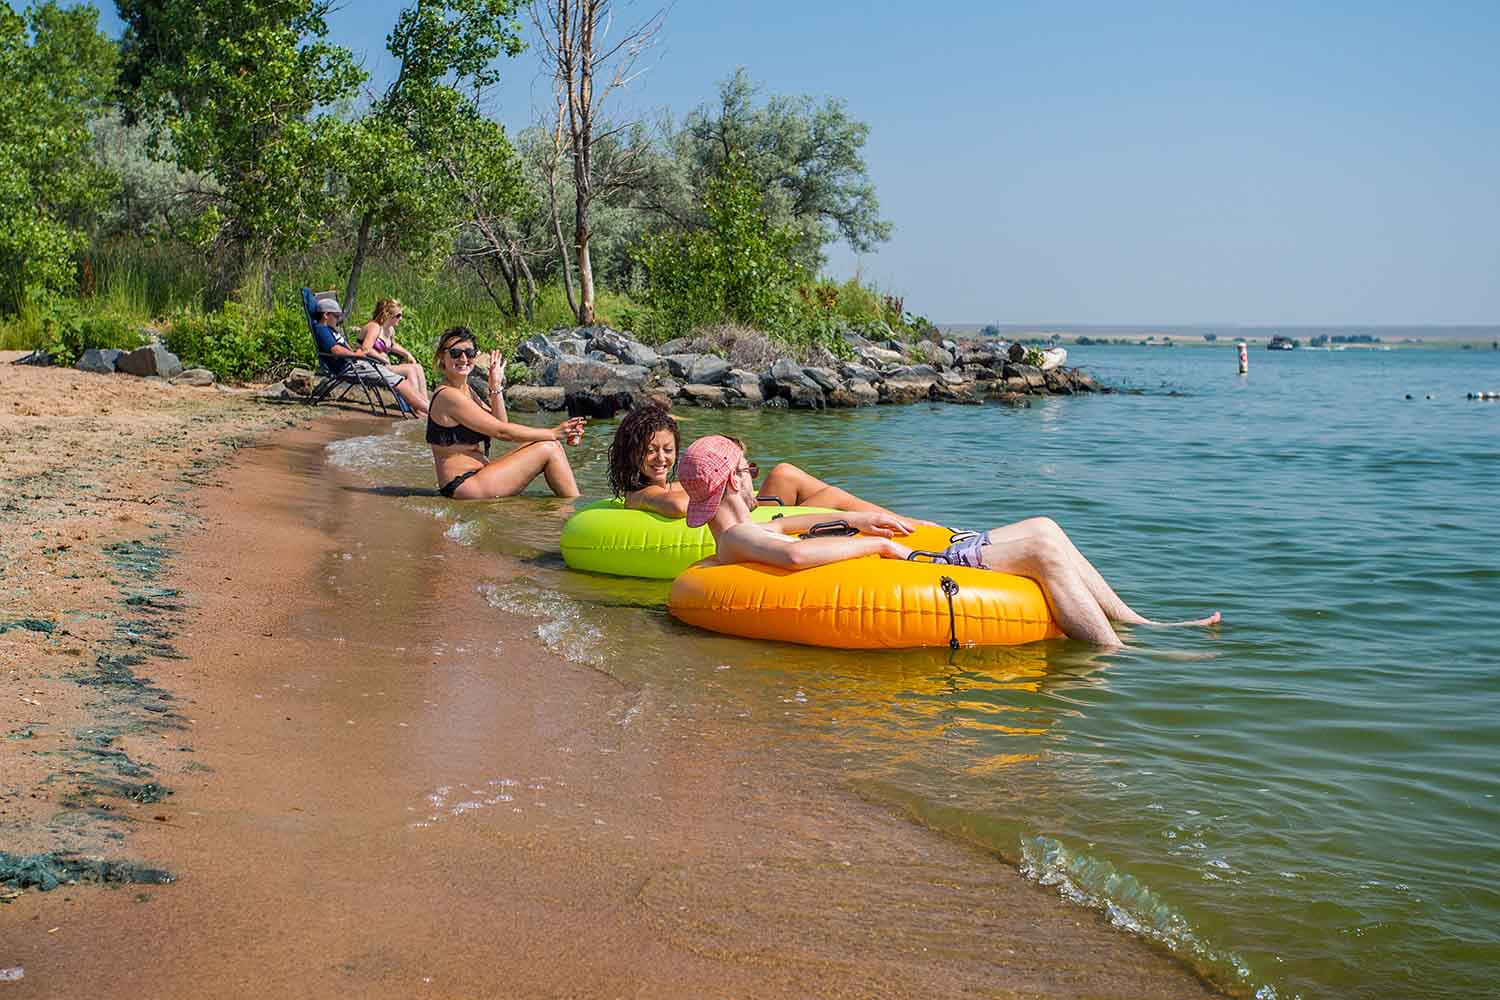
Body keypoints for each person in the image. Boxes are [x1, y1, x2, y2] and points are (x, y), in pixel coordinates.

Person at [676, 434, 1220, 647]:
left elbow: (794, 528)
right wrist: (876, 547)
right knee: (1041, 550)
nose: (754, 475)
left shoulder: (748, 529)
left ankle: (1140, 623)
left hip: (908, 552)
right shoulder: (742, 539)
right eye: (745, 470)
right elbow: (794, 555)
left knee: (1046, 525)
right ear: (732, 481)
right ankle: (1115, 653)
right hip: (911, 566)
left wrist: (864, 522)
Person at [606, 401, 917, 521]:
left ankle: (901, 522)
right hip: (748, 521)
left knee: (785, 473)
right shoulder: (642, 493)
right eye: (651, 450)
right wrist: (728, 492)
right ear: (631, 452)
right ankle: (912, 526)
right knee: (831, 495)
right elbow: (676, 507)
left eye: (668, 450)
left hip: (747, 508)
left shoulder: (671, 484)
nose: (661, 458)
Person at [426, 326, 586, 499]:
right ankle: (574, 510)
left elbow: (501, 422)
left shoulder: (465, 389)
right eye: (455, 353)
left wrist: (495, 386)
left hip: (478, 476)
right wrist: (555, 432)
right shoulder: (448, 396)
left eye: (469, 352)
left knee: (550, 444)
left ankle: (571, 507)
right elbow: (502, 432)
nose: (463, 358)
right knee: (549, 447)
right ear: (442, 356)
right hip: (463, 485)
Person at [310, 296, 429, 416]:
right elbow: (336, 350)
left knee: (404, 378)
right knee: (400, 382)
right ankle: (429, 411)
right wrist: (356, 355)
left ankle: (427, 408)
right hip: (350, 367)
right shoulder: (322, 330)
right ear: (326, 315)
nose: (338, 320)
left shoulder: (331, 330)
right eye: (336, 316)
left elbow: (390, 345)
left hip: (358, 364)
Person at [357, 297, 429, 413]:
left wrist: (407, 354)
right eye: (398, 315)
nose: (401, 318)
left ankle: (425, 403)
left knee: (417, 367)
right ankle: (418, 408)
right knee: (410, 370)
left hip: (383, 366)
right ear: (387, 315)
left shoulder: (390, 330)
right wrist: (382, 358)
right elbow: (366, 349)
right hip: (372, 366)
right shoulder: (374, 327)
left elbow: (392, 345)